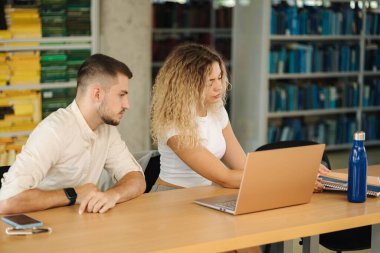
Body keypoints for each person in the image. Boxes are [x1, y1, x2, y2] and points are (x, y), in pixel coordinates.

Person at [150, 43, 329, 192]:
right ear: (186, 86)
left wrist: (297, 170)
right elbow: (225, 178)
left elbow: (243, 166)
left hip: (200, 196)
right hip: (170, 199)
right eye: (209, 82)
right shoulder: (174, 124)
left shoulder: (216, 109)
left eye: (219, 77)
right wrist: (290, 180)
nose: (219, 86)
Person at [0, 54, 146, 215]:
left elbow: (136, 179)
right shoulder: (53, 131)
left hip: (78, 226)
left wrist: (112, 195)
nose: (127, 105)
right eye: (121, 95)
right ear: (97, 94)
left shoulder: (107, 130)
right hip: (39, 230)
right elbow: (6, 201)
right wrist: (73, 194)